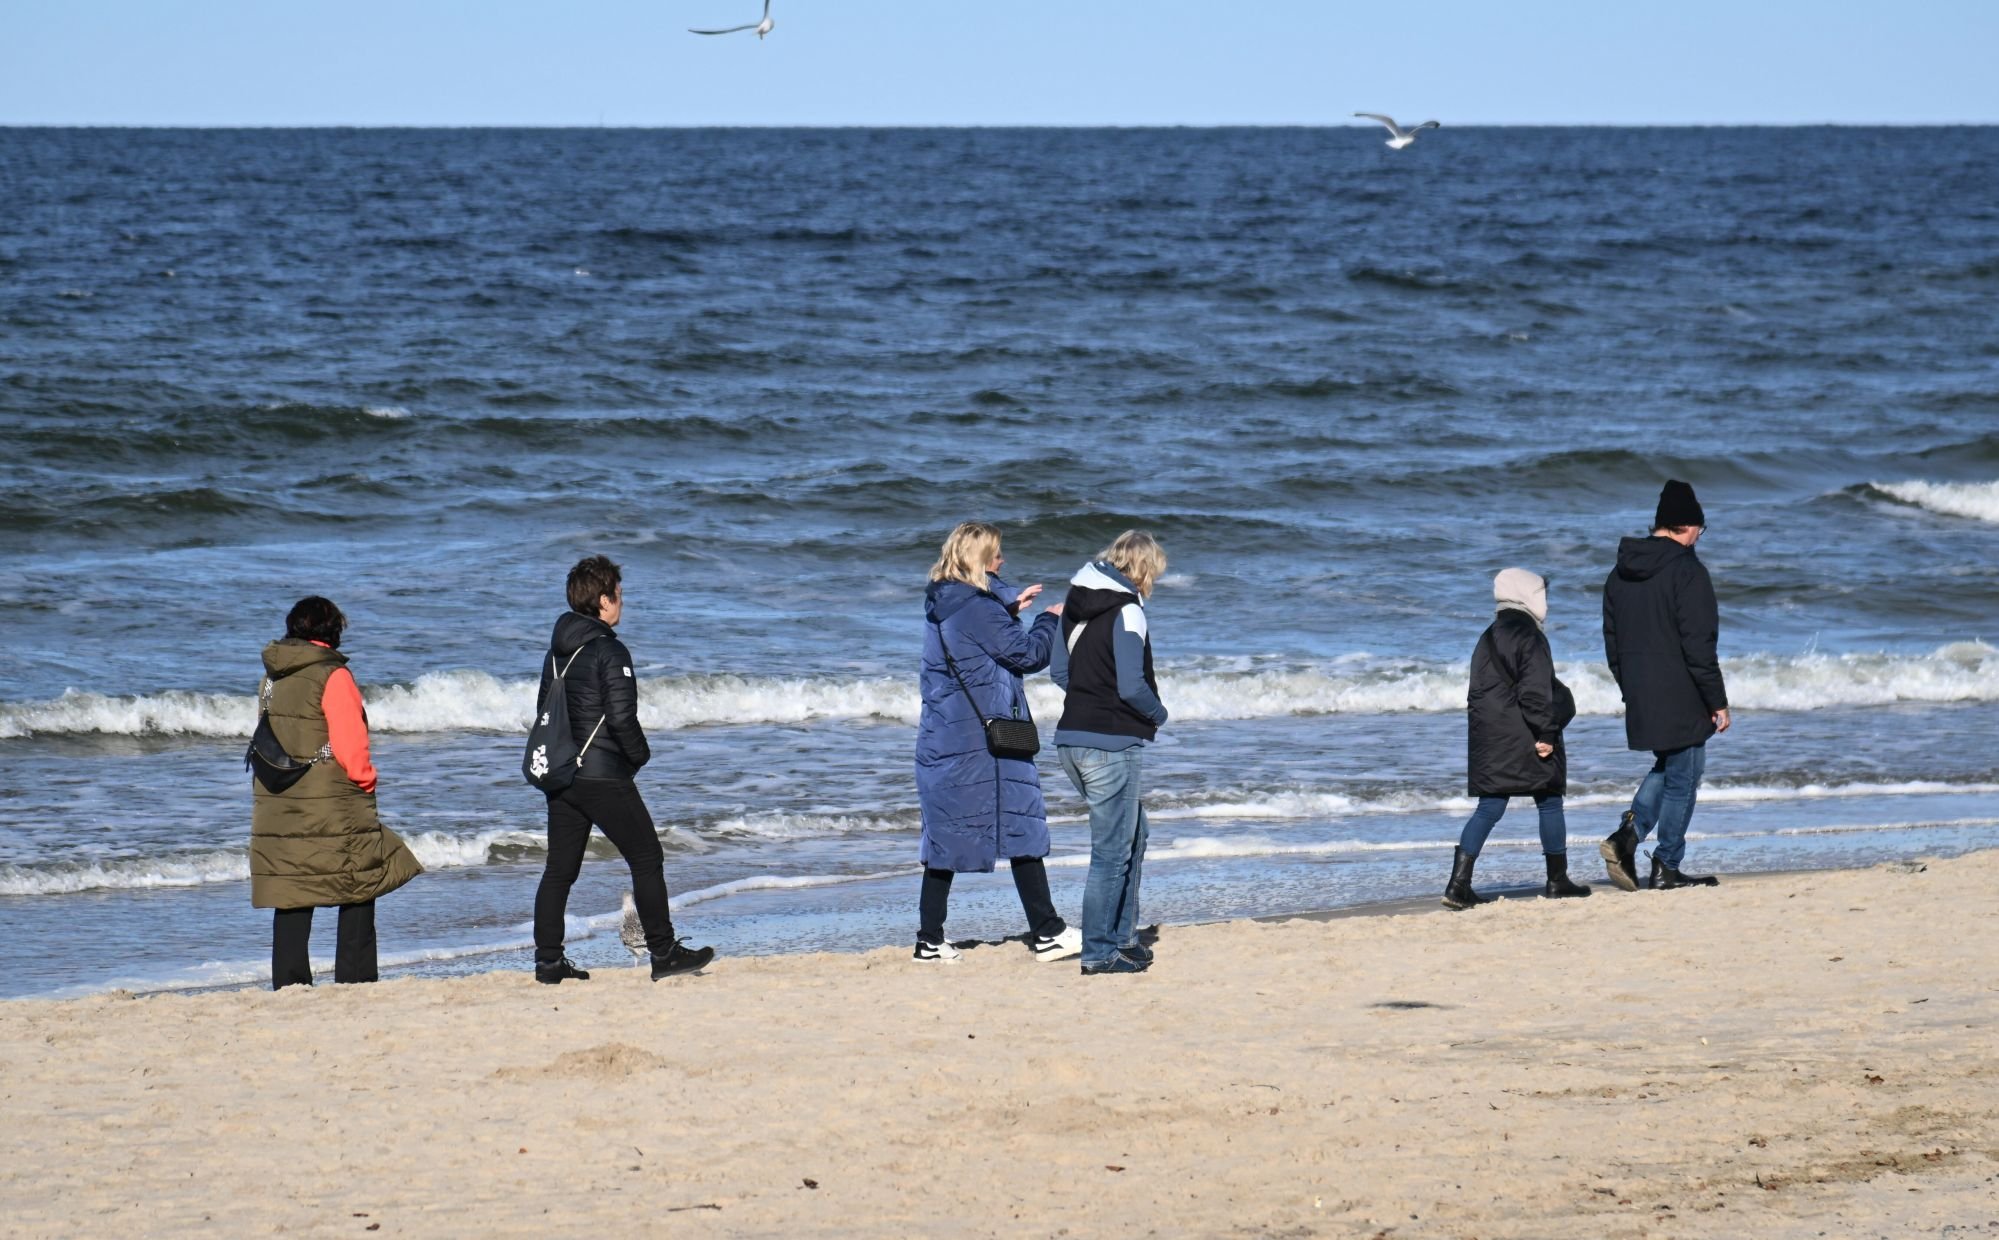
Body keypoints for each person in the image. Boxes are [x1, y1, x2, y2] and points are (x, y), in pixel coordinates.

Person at [531, 555, 714, 983]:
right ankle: (664, 953)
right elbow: (621, 717)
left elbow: (544, 711)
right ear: (602, 600)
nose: (622, 602)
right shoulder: (609, 649)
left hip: (562, 774)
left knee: (559, 869)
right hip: (602, 774)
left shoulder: (556, 651)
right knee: (647, 856)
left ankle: (549, 962)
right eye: (619, 594)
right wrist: (638, 757)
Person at [914, 522, 1081, 963]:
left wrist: (1011, 602)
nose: (1003, 561)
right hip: (984, 740)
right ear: (979, 559)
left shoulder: (944, 601)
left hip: (947, 734)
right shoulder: (976, 610)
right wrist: (1049, 618)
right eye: (996, 555)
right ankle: (1047, 932)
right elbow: (1028, 655)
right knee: (1021, 828)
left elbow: (980, 624)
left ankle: (929, 939)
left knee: (946, 837)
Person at [250, 596, 422, 989]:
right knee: (360, 881)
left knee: (291, 890)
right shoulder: (333, 675)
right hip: (333, 799)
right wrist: (366, 780)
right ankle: (355, 978)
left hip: (278, 797)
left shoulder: (271, 678)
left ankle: (290, 985)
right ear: (332, 630)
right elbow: (350, 746)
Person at [1600, 480, 1731, 891]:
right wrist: (1717, 700)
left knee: (1673, 767)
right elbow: (1699, 644)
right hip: (1684, 691)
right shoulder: (1688, 571)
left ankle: (1627, 837)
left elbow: (1612, 643)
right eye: (1699, 529)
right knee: (1684, 777)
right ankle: (1666, 864)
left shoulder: (1619, 574)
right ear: (1687, 526)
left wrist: (1630, 687)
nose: (1698, 537)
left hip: (1642, 690)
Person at [1050, 531, 1170, 976]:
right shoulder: (1129, 611)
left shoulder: (1075, 605)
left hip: (1071, 739)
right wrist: (1158, 714)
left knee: (1134, 836)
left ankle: (1123, 937)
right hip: (1111, 743)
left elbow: (1060, 673)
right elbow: (1131, 686)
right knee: (1112, 852)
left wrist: (1088, 699)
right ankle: (1099, 952)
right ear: (1143, 568)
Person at [1444, 568, 1592, 909]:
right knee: (1549, 799)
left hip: (1489, 736)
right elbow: (1535, 693)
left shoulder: (1488, 635)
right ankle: (1557, 880)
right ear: (1529, 596)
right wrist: (1547, 732)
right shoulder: (1530, 636)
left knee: (1490, 806)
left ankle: (1457, 885)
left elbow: (1481, 693)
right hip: (1527, 732)